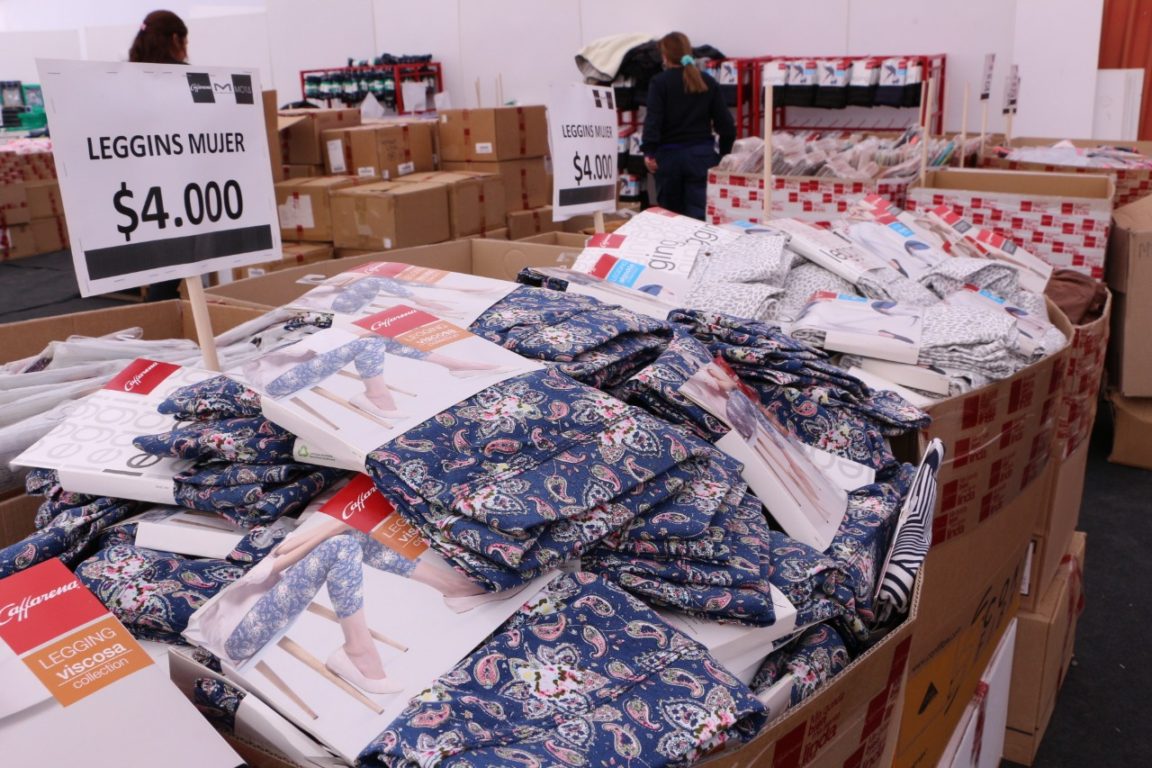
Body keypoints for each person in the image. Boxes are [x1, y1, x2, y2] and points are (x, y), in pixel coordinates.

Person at [641, 32, 736, 220]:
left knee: (672, 221)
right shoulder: (707, 81)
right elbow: (726, 126)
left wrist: (649, 152)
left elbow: (653, 121)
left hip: (669, 159)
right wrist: (723, 157)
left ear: (665, 56)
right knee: (700, 220)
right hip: (701, 158)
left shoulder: (659, 83)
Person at [128, 10, 189, 301]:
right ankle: (161, 319)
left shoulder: (126, 79)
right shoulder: (181, 79)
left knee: (164, 268)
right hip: (181, 183)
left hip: (141, 188)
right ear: (175, 39)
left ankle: (160, 315)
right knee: (176, 268)